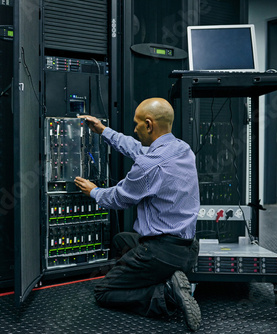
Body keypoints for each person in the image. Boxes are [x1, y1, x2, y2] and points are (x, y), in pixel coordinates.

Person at [74, 97, 201, 331]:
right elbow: (138, 149)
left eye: (137, 124)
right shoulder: (182, 149)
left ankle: (167, 295)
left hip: (162, 251)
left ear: (149, 125)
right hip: (189, 249)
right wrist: (104, 131)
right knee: (122, 239)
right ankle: (170, 276)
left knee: (104, 292)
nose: (134, 128)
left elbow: (119, 198)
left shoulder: (148, 166)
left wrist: (94, 191)